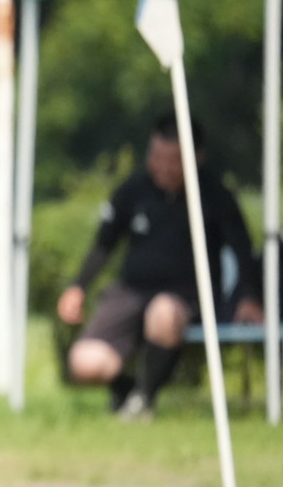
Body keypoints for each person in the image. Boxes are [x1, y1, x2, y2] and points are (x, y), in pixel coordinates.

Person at [56, 114, 262, 419]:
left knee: (163, 312)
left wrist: (249, 296)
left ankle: (143, 400)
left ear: (197, 158)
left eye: (174, 160)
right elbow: (104, 243)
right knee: (84, 361)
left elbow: (243, 250)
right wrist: (78, 286)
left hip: (184, 297)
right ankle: (127, 390)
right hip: (131, 293)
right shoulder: (134, 188)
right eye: (156, 156)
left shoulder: (216, 195)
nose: (163, 167)